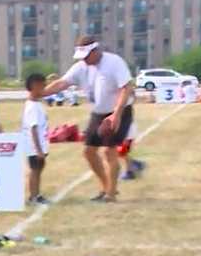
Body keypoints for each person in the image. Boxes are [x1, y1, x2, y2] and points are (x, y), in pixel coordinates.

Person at [41, 35, 135, 202]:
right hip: (98, 113)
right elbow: (62, 83)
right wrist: (40, 93)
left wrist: (117, 114)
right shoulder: (81, 67)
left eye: (86, 56)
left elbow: (126, 87)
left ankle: (111, 194)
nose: (84, 60)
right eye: (81, 57)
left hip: (119, 111)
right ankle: (106, 187)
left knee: (109, 151)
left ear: (95, 51)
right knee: (89, 152)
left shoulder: (114, 62)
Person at [21, 73, 50, 204]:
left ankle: (37, 194)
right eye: (42, 86)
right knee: (35, 169)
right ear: (34, 86)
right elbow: (33, 129)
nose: (44, 89)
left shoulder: (37, 104)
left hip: (41, 144)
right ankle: (33, 196)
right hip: (34, 147)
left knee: (39, 169)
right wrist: (38, 149)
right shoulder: (32, 106)